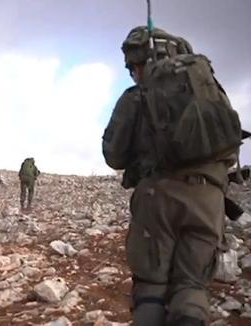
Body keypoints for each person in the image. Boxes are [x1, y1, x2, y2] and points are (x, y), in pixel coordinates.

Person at [102, 26, 241, 326]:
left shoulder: (136, 96)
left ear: (138, 64)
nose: (134, 74)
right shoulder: (209, 89)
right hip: (209, 201)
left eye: (133, 68)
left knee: (151, 287)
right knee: (191, 286)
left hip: (158, 201)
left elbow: (113, 156)